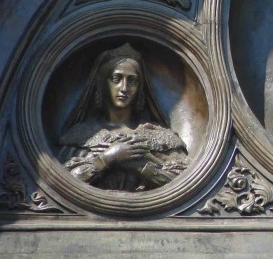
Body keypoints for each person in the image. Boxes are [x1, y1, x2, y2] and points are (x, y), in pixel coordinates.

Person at [58, 43, 189, 191]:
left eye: (132, 80)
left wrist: (140, 164)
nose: (124, 88)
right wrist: (107, 158)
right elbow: (62, 182)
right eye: (116, 79)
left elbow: (186, 182)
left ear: (139, 87)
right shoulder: (80, 136)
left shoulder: (162, 137)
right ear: (103, 83)